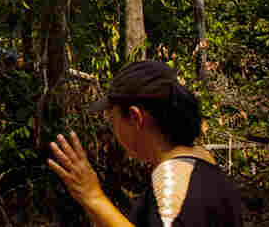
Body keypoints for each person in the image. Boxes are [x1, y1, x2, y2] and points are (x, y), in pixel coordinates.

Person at [48, 60, 243, 227]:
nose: (114, 131)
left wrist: (93, 197)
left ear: (135, 117)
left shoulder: (173, 182)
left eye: (113, 121)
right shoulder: (202, 164)